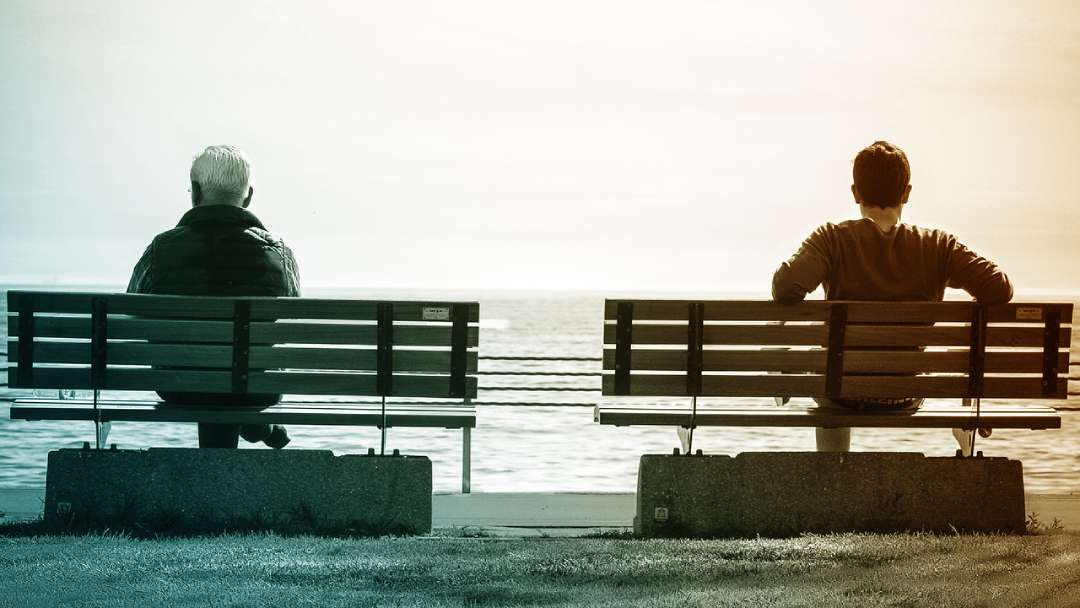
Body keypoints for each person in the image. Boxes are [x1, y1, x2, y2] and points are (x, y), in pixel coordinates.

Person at [771, 140, 1012, 451]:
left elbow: (785, 287)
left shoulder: (831, 239)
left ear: (855, 192)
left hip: (840, 391)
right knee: (824, 369)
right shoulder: (938, 246)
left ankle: (833, 468)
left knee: (816, 366)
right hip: (907, 391)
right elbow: (998, 288)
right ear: (906, 193)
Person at [127, 145, 300, 449]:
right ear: (248, 196)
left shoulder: (161, 249)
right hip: (256, 387)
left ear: (194, 191)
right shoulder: (278, 253)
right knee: (236, 376)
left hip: (179, 385)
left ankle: (251, 428)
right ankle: (255, 423)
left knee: (212, 375)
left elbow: (131, 312)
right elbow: (291, 318)